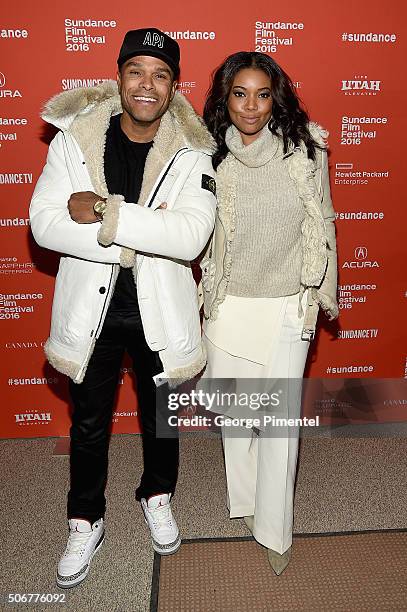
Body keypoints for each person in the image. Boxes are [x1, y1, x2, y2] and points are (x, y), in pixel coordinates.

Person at [29, 27, 216, 588]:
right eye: (136, 70)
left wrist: (107, 216)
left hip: (161, 310)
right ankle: (85, 519)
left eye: (160, 75)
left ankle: (157, 495)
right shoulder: (74, 138)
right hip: (93, 310)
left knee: (161, 422)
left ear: (174, 86)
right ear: (119, 75)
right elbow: (45, 224)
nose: (146, 84)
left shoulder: (195, 151)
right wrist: (144, 231)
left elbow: (189, 238)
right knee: (88, 424)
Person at [200, 51, 338, 575]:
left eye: (262, 94)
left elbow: (323, 223)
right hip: (228, 303)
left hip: (286, 303)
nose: (251, 106)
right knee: (237, 417)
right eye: (240, 94)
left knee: (278, 423)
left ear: (276, 97)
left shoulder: (306, 150)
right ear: (225, 99)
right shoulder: (209, 154)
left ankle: (275, 527)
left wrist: (320, 294)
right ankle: (247, 501)